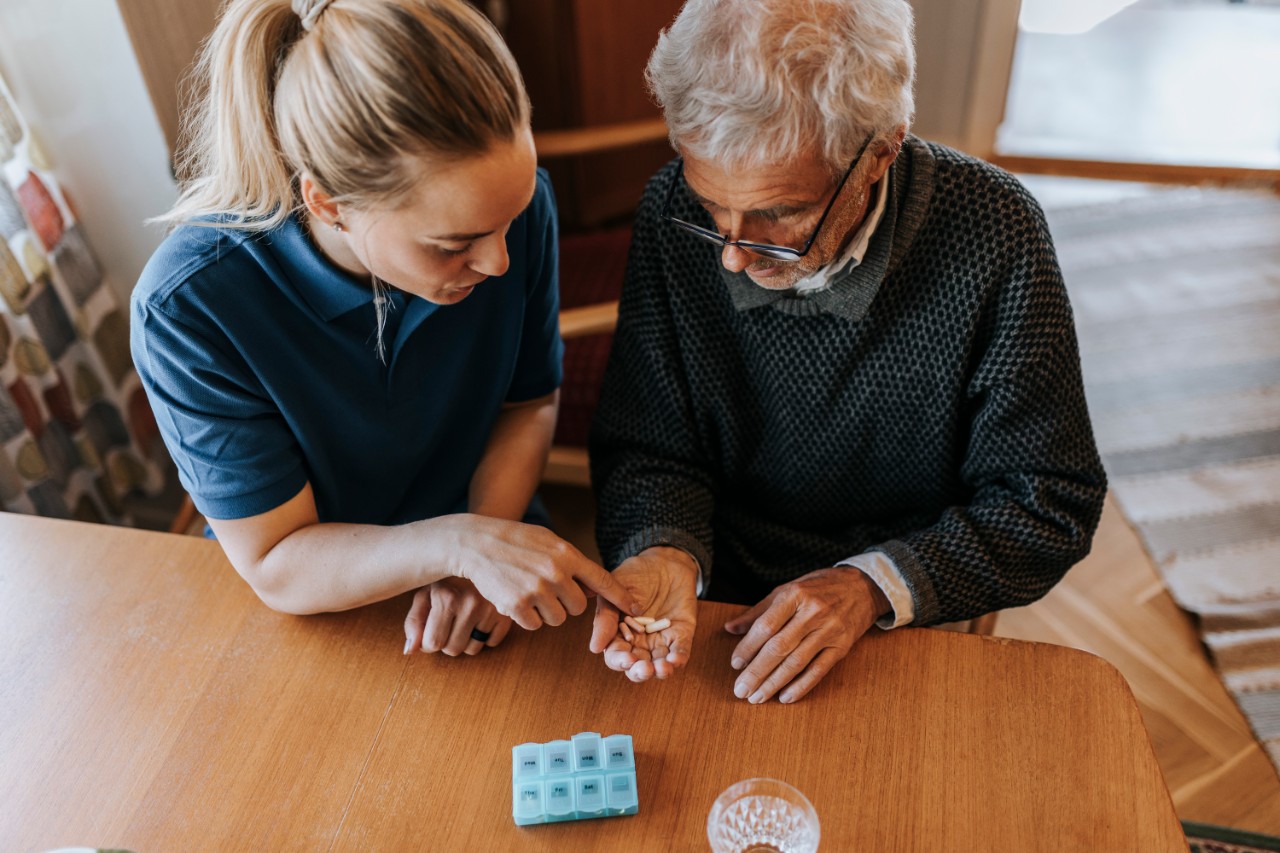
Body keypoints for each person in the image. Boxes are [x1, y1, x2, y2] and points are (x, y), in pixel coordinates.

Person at [588, 0, 1107, 702]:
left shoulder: (997, 232)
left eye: (778, 216)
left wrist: (869, 585)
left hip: (909, 603)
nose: (735, 257)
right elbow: (648, 444)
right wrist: (665, 549)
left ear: (881, 152)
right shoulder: (670, 212)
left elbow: (1048, 499)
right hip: (713, 593)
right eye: (714, 208)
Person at [131, 0, 636, 657]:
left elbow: (530, 402)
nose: (499, 261)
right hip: (319, 608)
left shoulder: (514, 209)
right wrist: (456, 547)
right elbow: (277, 559)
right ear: (327, 203)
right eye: (453, 243)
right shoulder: (189, 308)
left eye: (508, 221)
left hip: (490, 545)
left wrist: (483, 546)